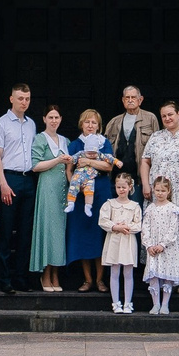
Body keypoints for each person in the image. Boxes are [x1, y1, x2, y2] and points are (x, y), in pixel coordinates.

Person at [138, 100, 179, 292]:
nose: (167, 118)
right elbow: (145, 161)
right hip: (157, 193)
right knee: (157, 230)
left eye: (170, 114)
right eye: (163, 116)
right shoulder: (156, 137)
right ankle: (158, 275)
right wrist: (146, 184)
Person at [0, 84, 36, 293]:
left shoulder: (31, 124)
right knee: (6, 232)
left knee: (26, 233)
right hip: (9, 178)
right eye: (20, 98)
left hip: (28, 180)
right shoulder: (0, 124)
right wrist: (3, 185)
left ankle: (21, 277)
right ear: (11, 99)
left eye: (27, 98)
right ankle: (5, 279)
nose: (24, 102)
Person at [64, 110, 113, 292]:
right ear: (81, 124)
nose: (90, 126)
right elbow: (69, 169)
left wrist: (87, 162)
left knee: (99, 234)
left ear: (99, 126)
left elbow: (108, 166)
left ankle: (100, 280)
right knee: (84, 235)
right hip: (80, 197)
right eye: (87, 122)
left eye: (93, 123)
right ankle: (87, 279)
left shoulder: (104, 143)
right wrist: (75, 187)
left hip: (100, 192)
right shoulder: (75, 144)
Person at [29, 105, 72, 291]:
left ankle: (56, 274)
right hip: (47, 189)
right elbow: (35, 166)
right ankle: (44, 274)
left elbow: (70, 167)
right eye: (50, 117)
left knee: (59, 233)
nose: (54, 121)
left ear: (61, 119)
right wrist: (57, 160)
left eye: (57, 117)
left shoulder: (65, 141)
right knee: (47, 231)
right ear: (44, 119)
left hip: (63, 189)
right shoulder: (40, 138)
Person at [97, 172, 143, 313]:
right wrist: (115, 227)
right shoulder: (109, 204)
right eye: (118, 187)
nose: (121, 190)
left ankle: (128, 303)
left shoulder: (135, 206)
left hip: (128, 241)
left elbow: (139, 224)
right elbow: (103, 220)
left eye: (124, 187)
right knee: (114, 271)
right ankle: (116, 302)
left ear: (130, 187)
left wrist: (127, 227)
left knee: (128, 272)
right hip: (114, 241)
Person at [140, 176, 179, 314]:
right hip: (153, 247)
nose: (160, 193)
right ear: (153, 190)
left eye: (163, 190)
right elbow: (145, 228)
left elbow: (173, 229)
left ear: (169, 191)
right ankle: (156, 304)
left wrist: (163, 244)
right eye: (157, 190)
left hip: (167, 248)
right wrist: (148, 245)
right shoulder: (150, 209)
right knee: (154, 274)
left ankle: (165, 304)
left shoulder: (172, 209)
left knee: (167, 274)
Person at [107, 86, 154, 189]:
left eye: (133, 97)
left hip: (139, 179)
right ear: (123, 100)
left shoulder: (150, 118)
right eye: (127, 98)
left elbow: (157, 148)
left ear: (140, 100)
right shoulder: (114, 122)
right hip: (116, 177)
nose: (130, 100)